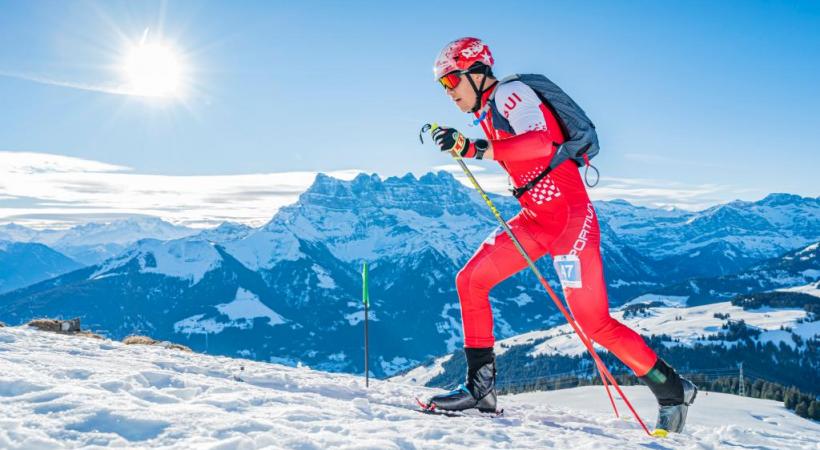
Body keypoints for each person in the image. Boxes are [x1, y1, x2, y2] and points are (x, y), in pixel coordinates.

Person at [423, 37, 697, 434]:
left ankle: (673, 392)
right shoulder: (487, 111)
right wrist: (471, 144)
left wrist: (472, 148)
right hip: (536, 219)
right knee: (470, 280)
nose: (448, 93)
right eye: (442, 87)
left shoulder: (510, 94)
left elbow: (539, 142)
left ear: (476, 73)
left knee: (595, 324)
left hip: (570, 221)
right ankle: (481, 390)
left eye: (450, 82)